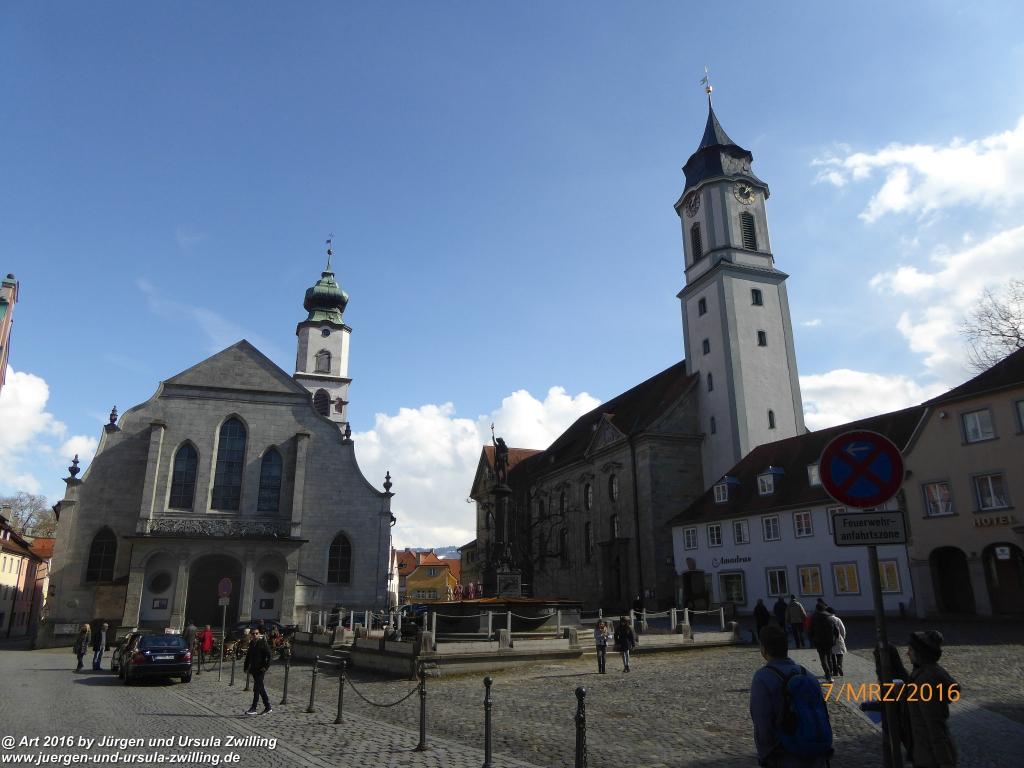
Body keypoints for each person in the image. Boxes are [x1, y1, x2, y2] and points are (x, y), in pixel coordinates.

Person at [749, 624, 833, 767]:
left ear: (764, 649)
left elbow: (763, 723)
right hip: (816, 756)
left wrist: (765, 756)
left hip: (785, 756)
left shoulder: (763, 678)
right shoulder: (807, 674)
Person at [904, 631, 957, 768]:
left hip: (930, 757)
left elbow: (934, 725)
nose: (907, 653)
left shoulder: (925, 681)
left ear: (920, 653)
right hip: (924, 753)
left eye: (910, 649)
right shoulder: (922, 675)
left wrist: (945, 762)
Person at [243, 628, 273, 715]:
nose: (255, 635)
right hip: (254, 669)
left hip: (260, 669)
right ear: (251, 635)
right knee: (260, 688)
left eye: (256, 633)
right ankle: (268, 707)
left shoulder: (263, 643)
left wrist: (265, 667)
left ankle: (254, 708)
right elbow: (248, 656)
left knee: (256, 688)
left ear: (259, 634)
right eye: (253, 634)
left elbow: (270, 656)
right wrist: (246, 667)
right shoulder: (252, 643)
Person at [809, 603, 835, 682]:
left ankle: (828, 675)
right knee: (829, 658)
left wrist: (812, 640)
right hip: (829, 641)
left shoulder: (814, 618)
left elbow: (810, 631)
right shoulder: (830, 617)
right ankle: (830, 674)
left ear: (817, 609)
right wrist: (834, 639)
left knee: (823, 659)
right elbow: (835, 630)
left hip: (819, 641)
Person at [827, 608, 846, 677]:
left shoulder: (826, 620)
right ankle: (839, 665)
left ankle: (835, 671)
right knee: (840, 654)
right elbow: (843, 629)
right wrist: (842, 638)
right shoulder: (837, 619)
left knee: (832, 656)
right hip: (838, 638)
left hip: (830, 639)